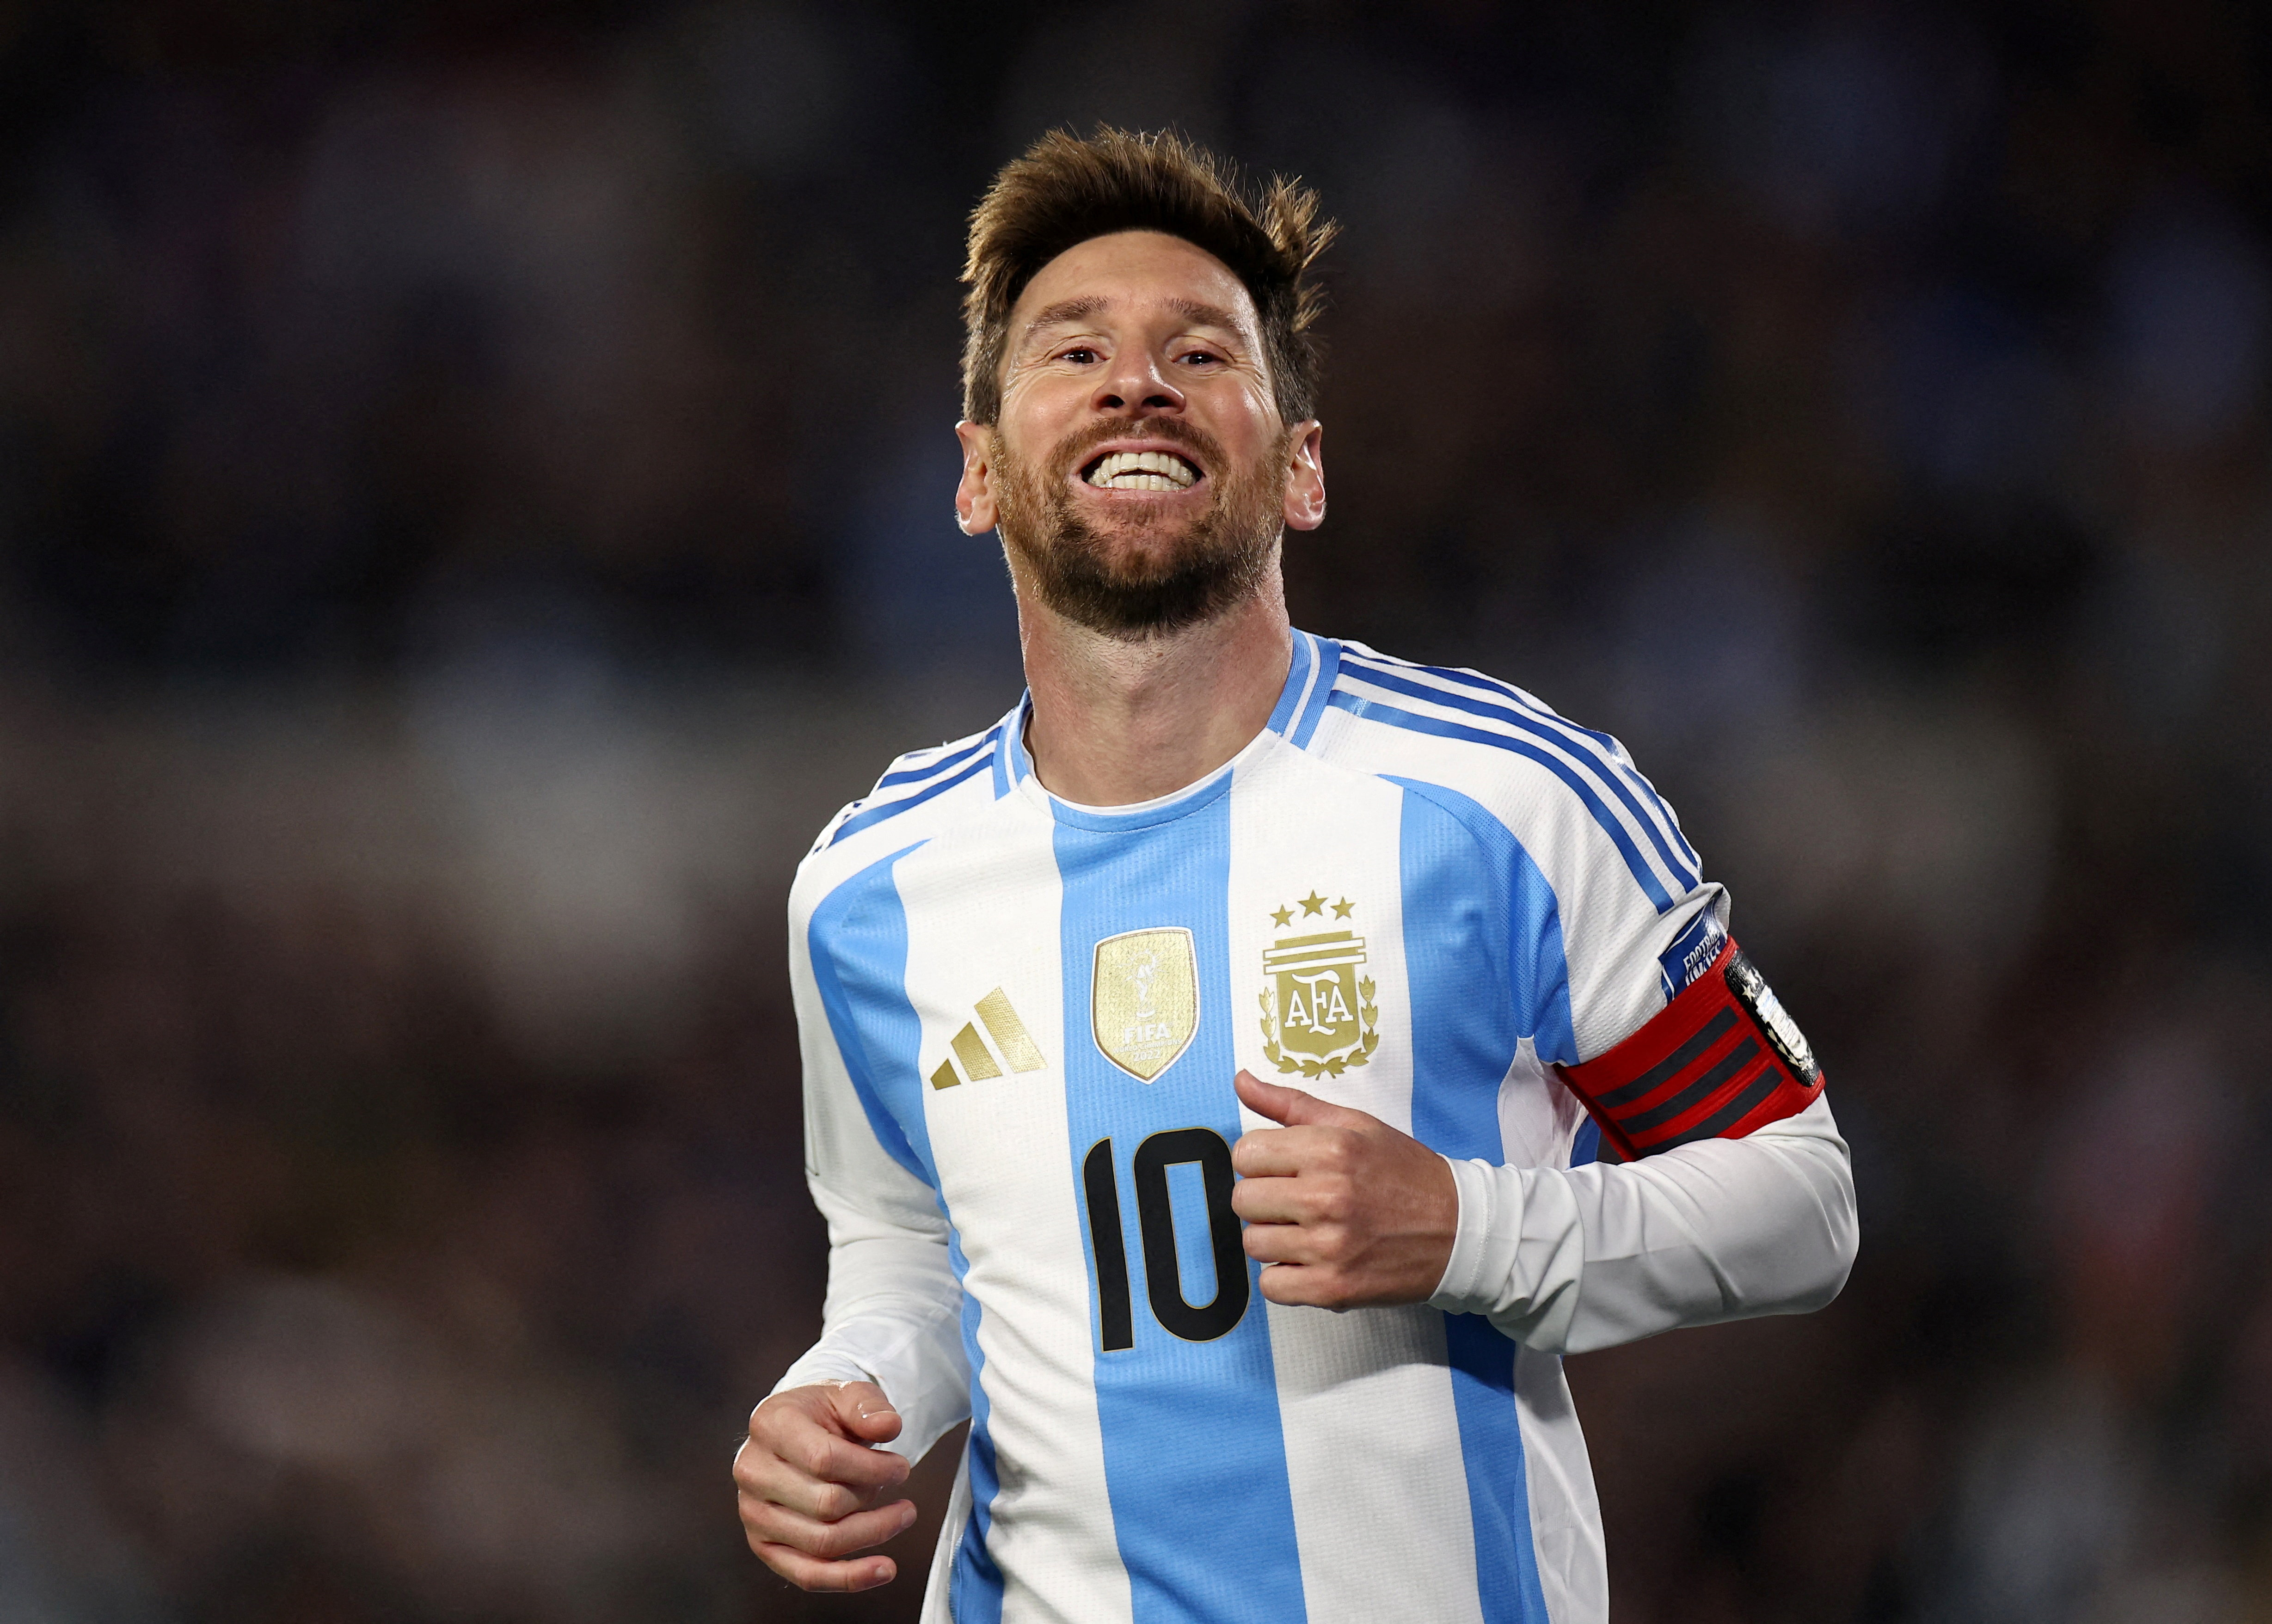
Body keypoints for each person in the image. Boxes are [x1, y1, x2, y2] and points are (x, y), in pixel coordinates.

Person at [733, 127, 1857, 1623]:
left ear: (1303, 464)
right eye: (1075, 350)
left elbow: (1802, 1196)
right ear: (980, 475)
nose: (1137, 381)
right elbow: (913, 1249)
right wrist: (846, 1389)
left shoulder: (1506, 800)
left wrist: (1470, 1230)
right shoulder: (870, 890)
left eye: (1200, 351)